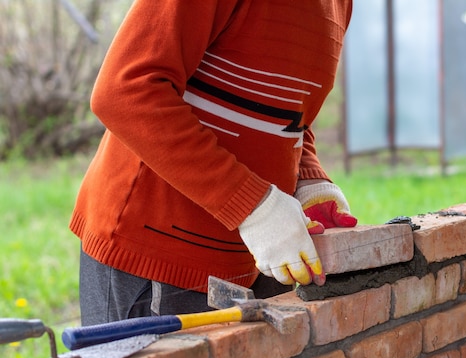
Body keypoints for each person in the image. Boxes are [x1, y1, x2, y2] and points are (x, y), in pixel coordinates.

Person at [70, 0, 357, 326]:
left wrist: (308, 178)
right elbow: (125, 91)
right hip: (157, 255)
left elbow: (285, 109)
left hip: (259, 253)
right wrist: (255, 207)